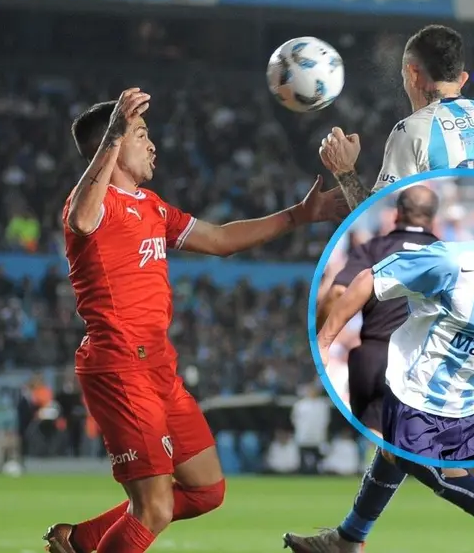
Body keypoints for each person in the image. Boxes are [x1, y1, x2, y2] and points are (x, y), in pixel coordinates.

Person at [43, 88, 345, 553]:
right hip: (120, 363)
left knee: (207, 490)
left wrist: (299, 217)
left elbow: (220, 239)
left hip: (158, 365)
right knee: (154, 509)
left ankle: (81, 541)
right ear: (116, 143)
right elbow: (83, 219)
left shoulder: (151, 205)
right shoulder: (91, 206)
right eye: (142, 135)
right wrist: (115, 131)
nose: (152, 144)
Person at [283, 188, 474, 553]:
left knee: (394, 456)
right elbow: (369, 279)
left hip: (473, 406)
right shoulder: (453, 261)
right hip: (416, 392)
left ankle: (347, 540)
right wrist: (324, 340)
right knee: (407, 455)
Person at [317, 24, 474, 210]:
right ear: (463, 79)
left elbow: (377, 216)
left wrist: (344, 170)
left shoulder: (413, 130)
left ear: (412, 73)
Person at [320, 184, 442, 438]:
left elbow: (337, 293)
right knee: (407, 437)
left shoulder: (373, 249)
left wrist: (321, 337)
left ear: (398, 213)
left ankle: (372, 474)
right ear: (433, 218)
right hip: (416, 359)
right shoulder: (447, 257)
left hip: (371, 355)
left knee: (371, 431)